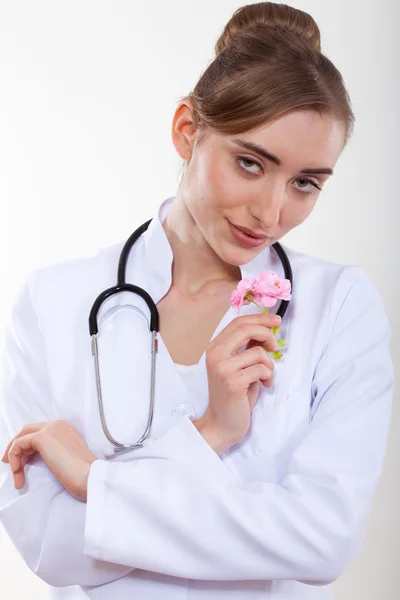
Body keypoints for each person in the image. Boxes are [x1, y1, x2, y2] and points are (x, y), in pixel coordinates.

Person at [0, 2, 394, 599]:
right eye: (249, 163)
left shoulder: (340, 306)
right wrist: (209, 433)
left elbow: (323, 540)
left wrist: (96, 484)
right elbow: (52, 549)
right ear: (188, 130)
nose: (271, 213)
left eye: (306, 183)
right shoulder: (54, 301)